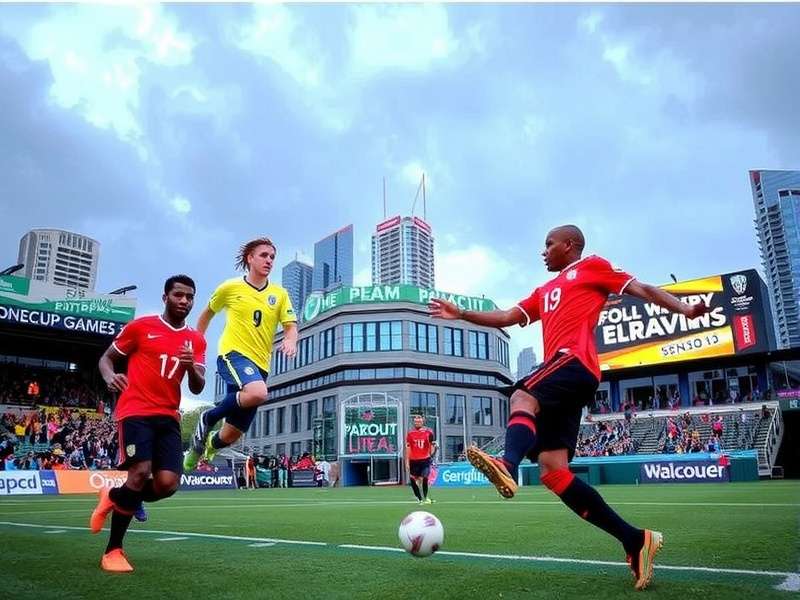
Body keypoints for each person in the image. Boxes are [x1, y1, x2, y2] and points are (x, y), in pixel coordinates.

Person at [429, 224, 708, 591]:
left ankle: (506, 465)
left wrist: (685, 308)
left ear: (570, 245)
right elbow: (508, 316)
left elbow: (643, 288)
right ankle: (635, 540)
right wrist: (462, 313)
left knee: (521, 395)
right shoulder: (544, 291)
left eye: (549, 244)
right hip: (566, 376)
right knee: (552, 470)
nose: (543, 251)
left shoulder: (592, 266)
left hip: (575, 362)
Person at [90, 275, 206, 573]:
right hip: (136, 410)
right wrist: (109, 376)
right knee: (140, 472)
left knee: (168, 484)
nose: (184, 301)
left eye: (189, 297)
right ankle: (113, 550)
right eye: (178, 295)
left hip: (169, 416)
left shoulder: (196, 340)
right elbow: (107, 358)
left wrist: (191, 365)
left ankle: (115, 495)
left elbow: (197, 387)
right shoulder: (141, 327)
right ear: (165, 297)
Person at [183, 238, 297, 470]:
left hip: (260, 366)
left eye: (272, 257)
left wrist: (290, 340)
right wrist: (197, 346)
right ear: (250, 258)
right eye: (264, 255)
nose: (269, 260)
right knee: (258, 393)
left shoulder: (279, 294)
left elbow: (290, 325)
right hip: (232, 355)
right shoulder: (229, 288)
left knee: (231, 435)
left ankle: (209, 447)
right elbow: (206, 315)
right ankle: (208, 418)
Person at [405, 414, 438, 504]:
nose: (417, 422)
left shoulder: (429, 433)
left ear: (423, 421)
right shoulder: (410, 434)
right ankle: (419, 498)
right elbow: (408, 448)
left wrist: (433, 452)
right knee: (413, 480)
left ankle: (426, 497)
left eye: (419, 420)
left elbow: (432, 446)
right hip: (413, 460)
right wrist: (407, 461)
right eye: (415, 421)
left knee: (424, 478)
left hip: (425, 459)